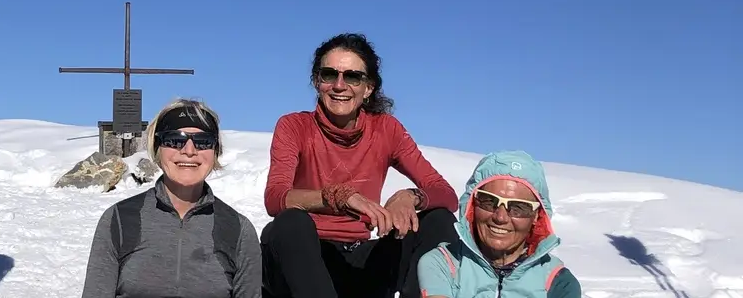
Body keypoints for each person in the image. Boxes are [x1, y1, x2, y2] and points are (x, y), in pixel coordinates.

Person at [260, 33, 460, 298]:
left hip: (361, 261)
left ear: (368, 88)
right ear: (317, 82)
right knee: (289, 223)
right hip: (305, 262)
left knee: (438, 220)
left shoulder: (386, 129)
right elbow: (276, 198)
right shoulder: (295, 126)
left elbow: (446, 194)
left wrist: (411, 197)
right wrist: (338, 196)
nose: (339, 85)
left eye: (353, 77)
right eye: (329, 75)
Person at [80, 98, 262, 298]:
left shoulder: (238, 230)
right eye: (175, 140)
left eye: (203, 141)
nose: (189, 151)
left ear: (215, 152)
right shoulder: (120, 220)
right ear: (158, 148)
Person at [417, 151, 581, 298]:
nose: (500, 217)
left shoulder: (558, 282)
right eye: (488, 201)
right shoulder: (444, 264)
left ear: (537, 216)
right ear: (472, 204)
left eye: (518, 208)